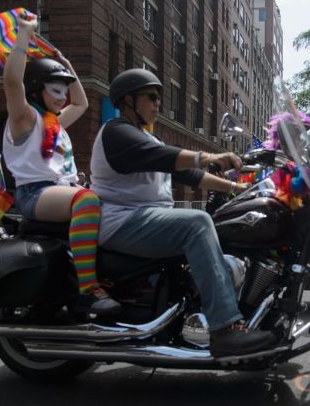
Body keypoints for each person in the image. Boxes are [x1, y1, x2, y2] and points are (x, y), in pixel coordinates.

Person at [90, 68, 275, 357]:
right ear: (129, 100)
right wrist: (209, 156)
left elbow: (191, 175)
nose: (157, 103)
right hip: (122, 221)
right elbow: (166, 158)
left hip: (144, 219)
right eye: (151, 97)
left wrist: (240, 190)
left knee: (222, 224)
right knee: (197, 223)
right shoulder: (117, 132)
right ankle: (225, 328)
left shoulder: (145, 137)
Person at [2, 12, 119, 315]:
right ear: (36, 89)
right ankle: (88, 287)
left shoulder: (54, 122)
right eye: (55, 88)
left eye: (64, 88)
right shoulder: (25, 118)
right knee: (87, 200)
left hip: (58, 191)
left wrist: (66, 65)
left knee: (115, 203)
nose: (63, 95)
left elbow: (82, 103)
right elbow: (12, 81)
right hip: (35, 194)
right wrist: (25, 36)